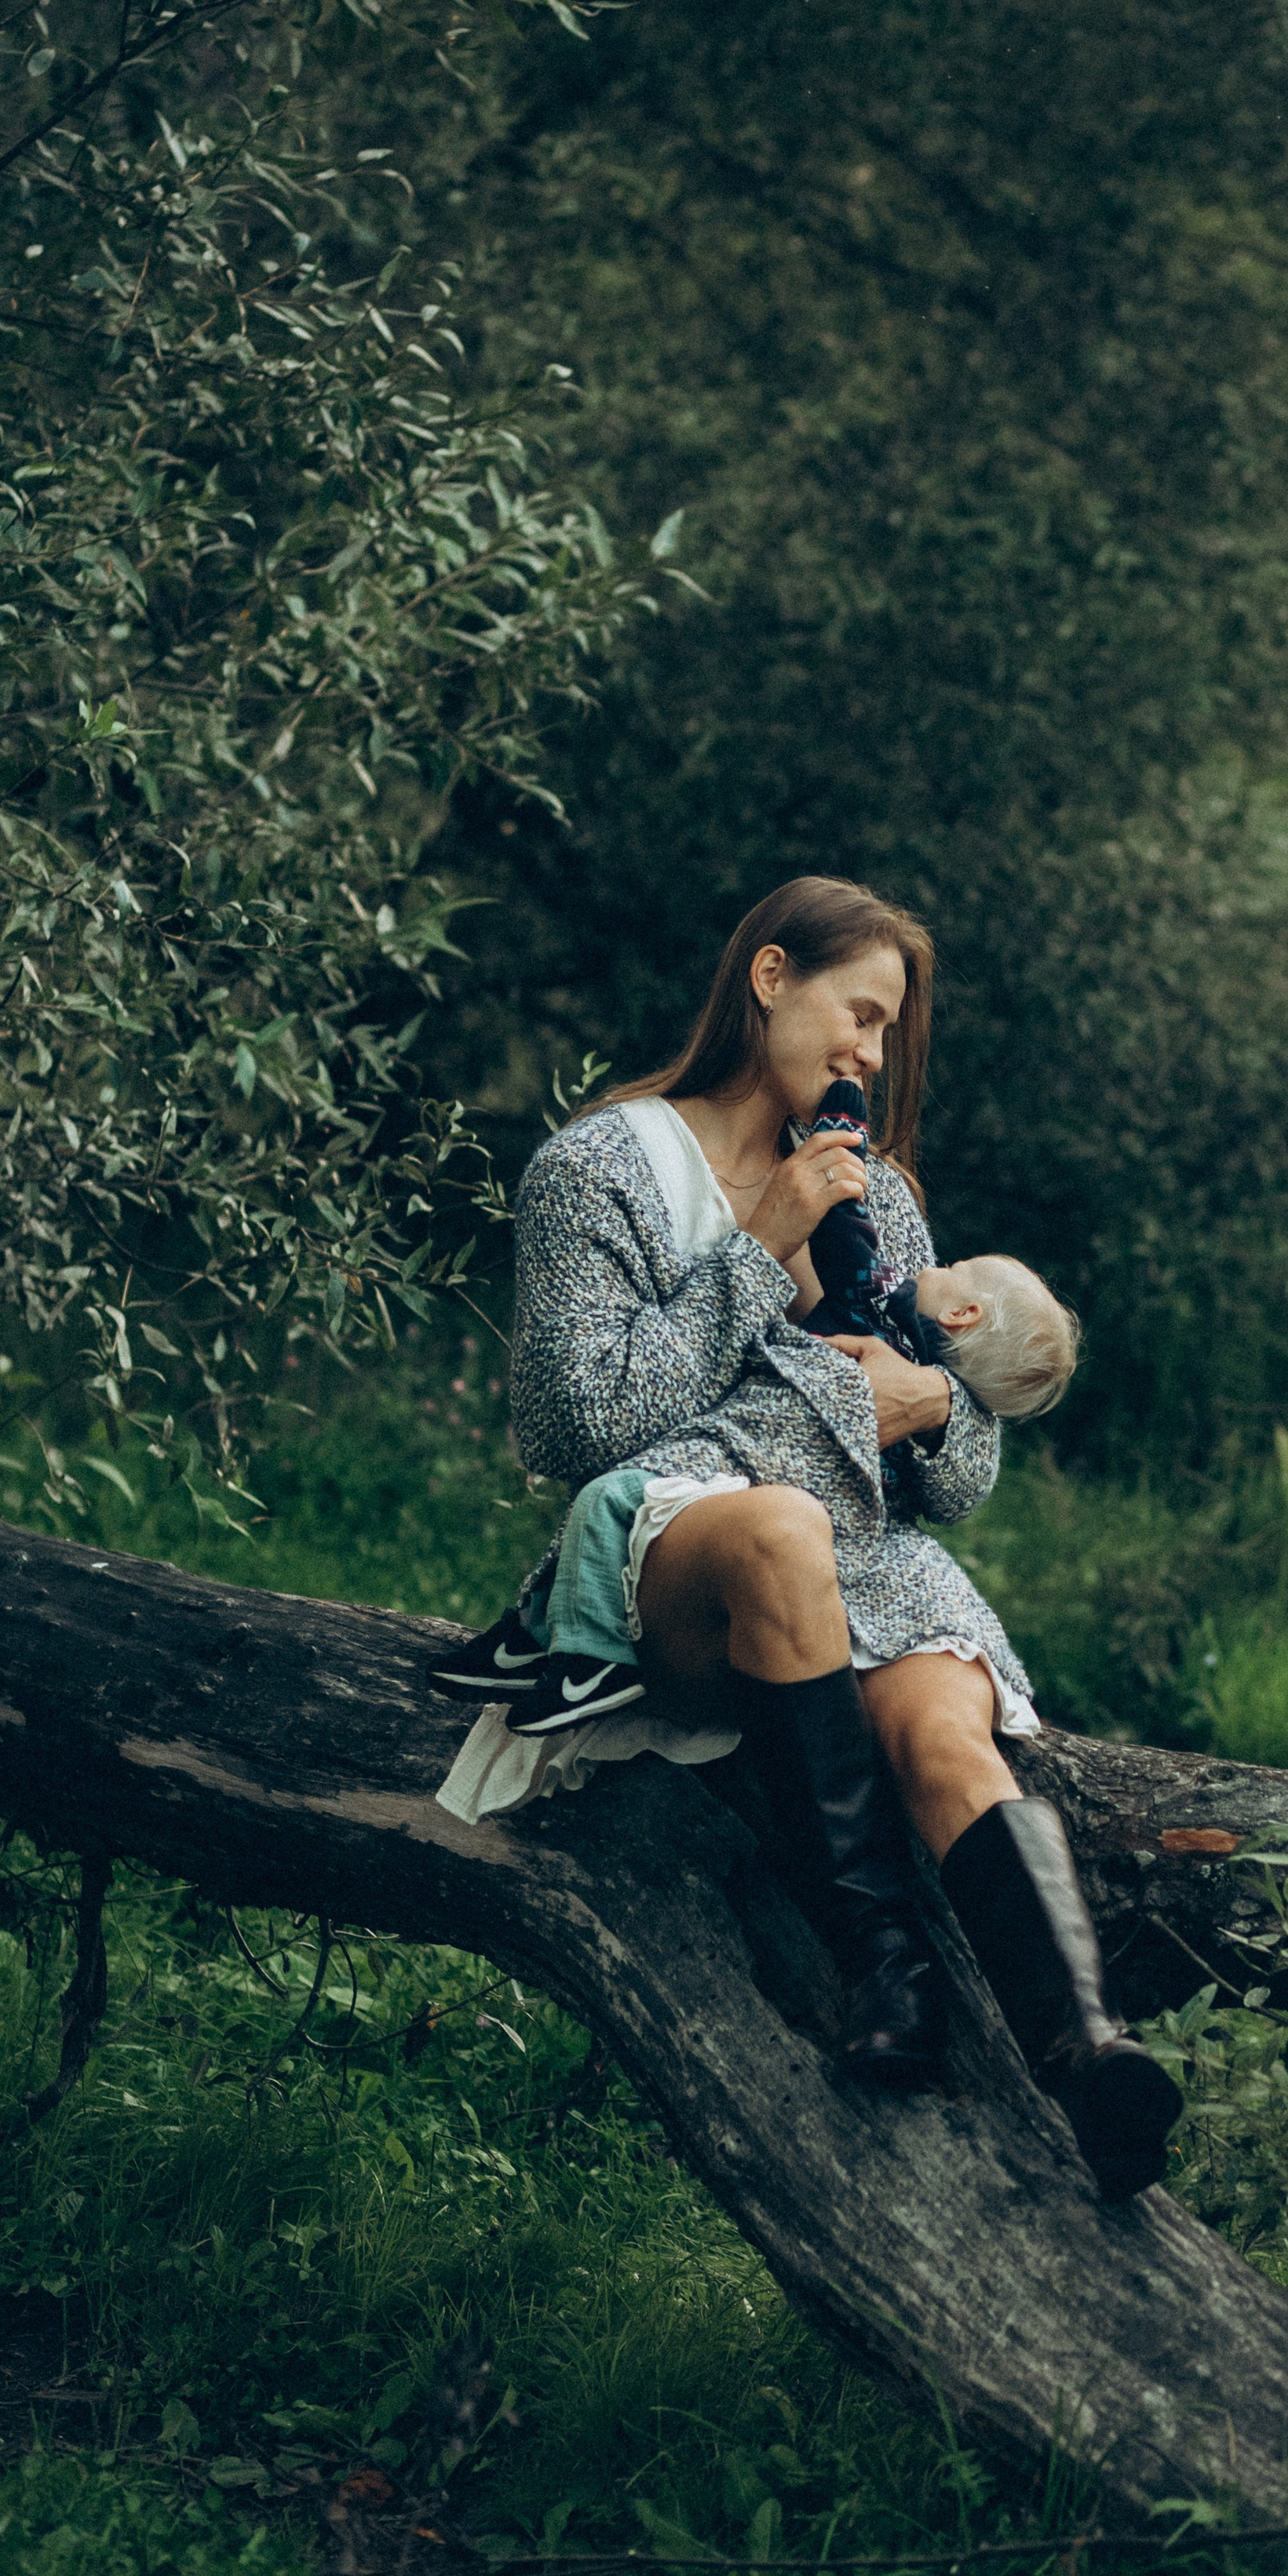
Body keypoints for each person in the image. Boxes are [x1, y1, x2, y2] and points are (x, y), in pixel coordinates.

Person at [432, 875, 1180, 2202]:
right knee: (780, 1530)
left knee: (945, 1730)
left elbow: (960, 1472)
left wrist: (932, 1399)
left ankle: (1087, 2053)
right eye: (863, 1014)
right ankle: (885, 1975)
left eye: (889, 1032)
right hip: (681, 1542)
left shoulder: (874, 1196)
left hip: (865, 1557)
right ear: (771, 976)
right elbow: (574, 1425)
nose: (873, 1056)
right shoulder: (598, 1170)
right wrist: (754, 1249)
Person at [426, 1233, 1078, 1731]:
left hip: (748, 1467)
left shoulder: (882, 1307)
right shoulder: (924, 1377)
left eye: (954, 1268)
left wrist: (838, 1139)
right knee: (612, 1503)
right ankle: (532, 1640)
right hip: (772, 1482)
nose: (934, 1263)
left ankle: (591, 1662)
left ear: (962, 1312)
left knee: (610, 1497)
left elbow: (847, 1238)